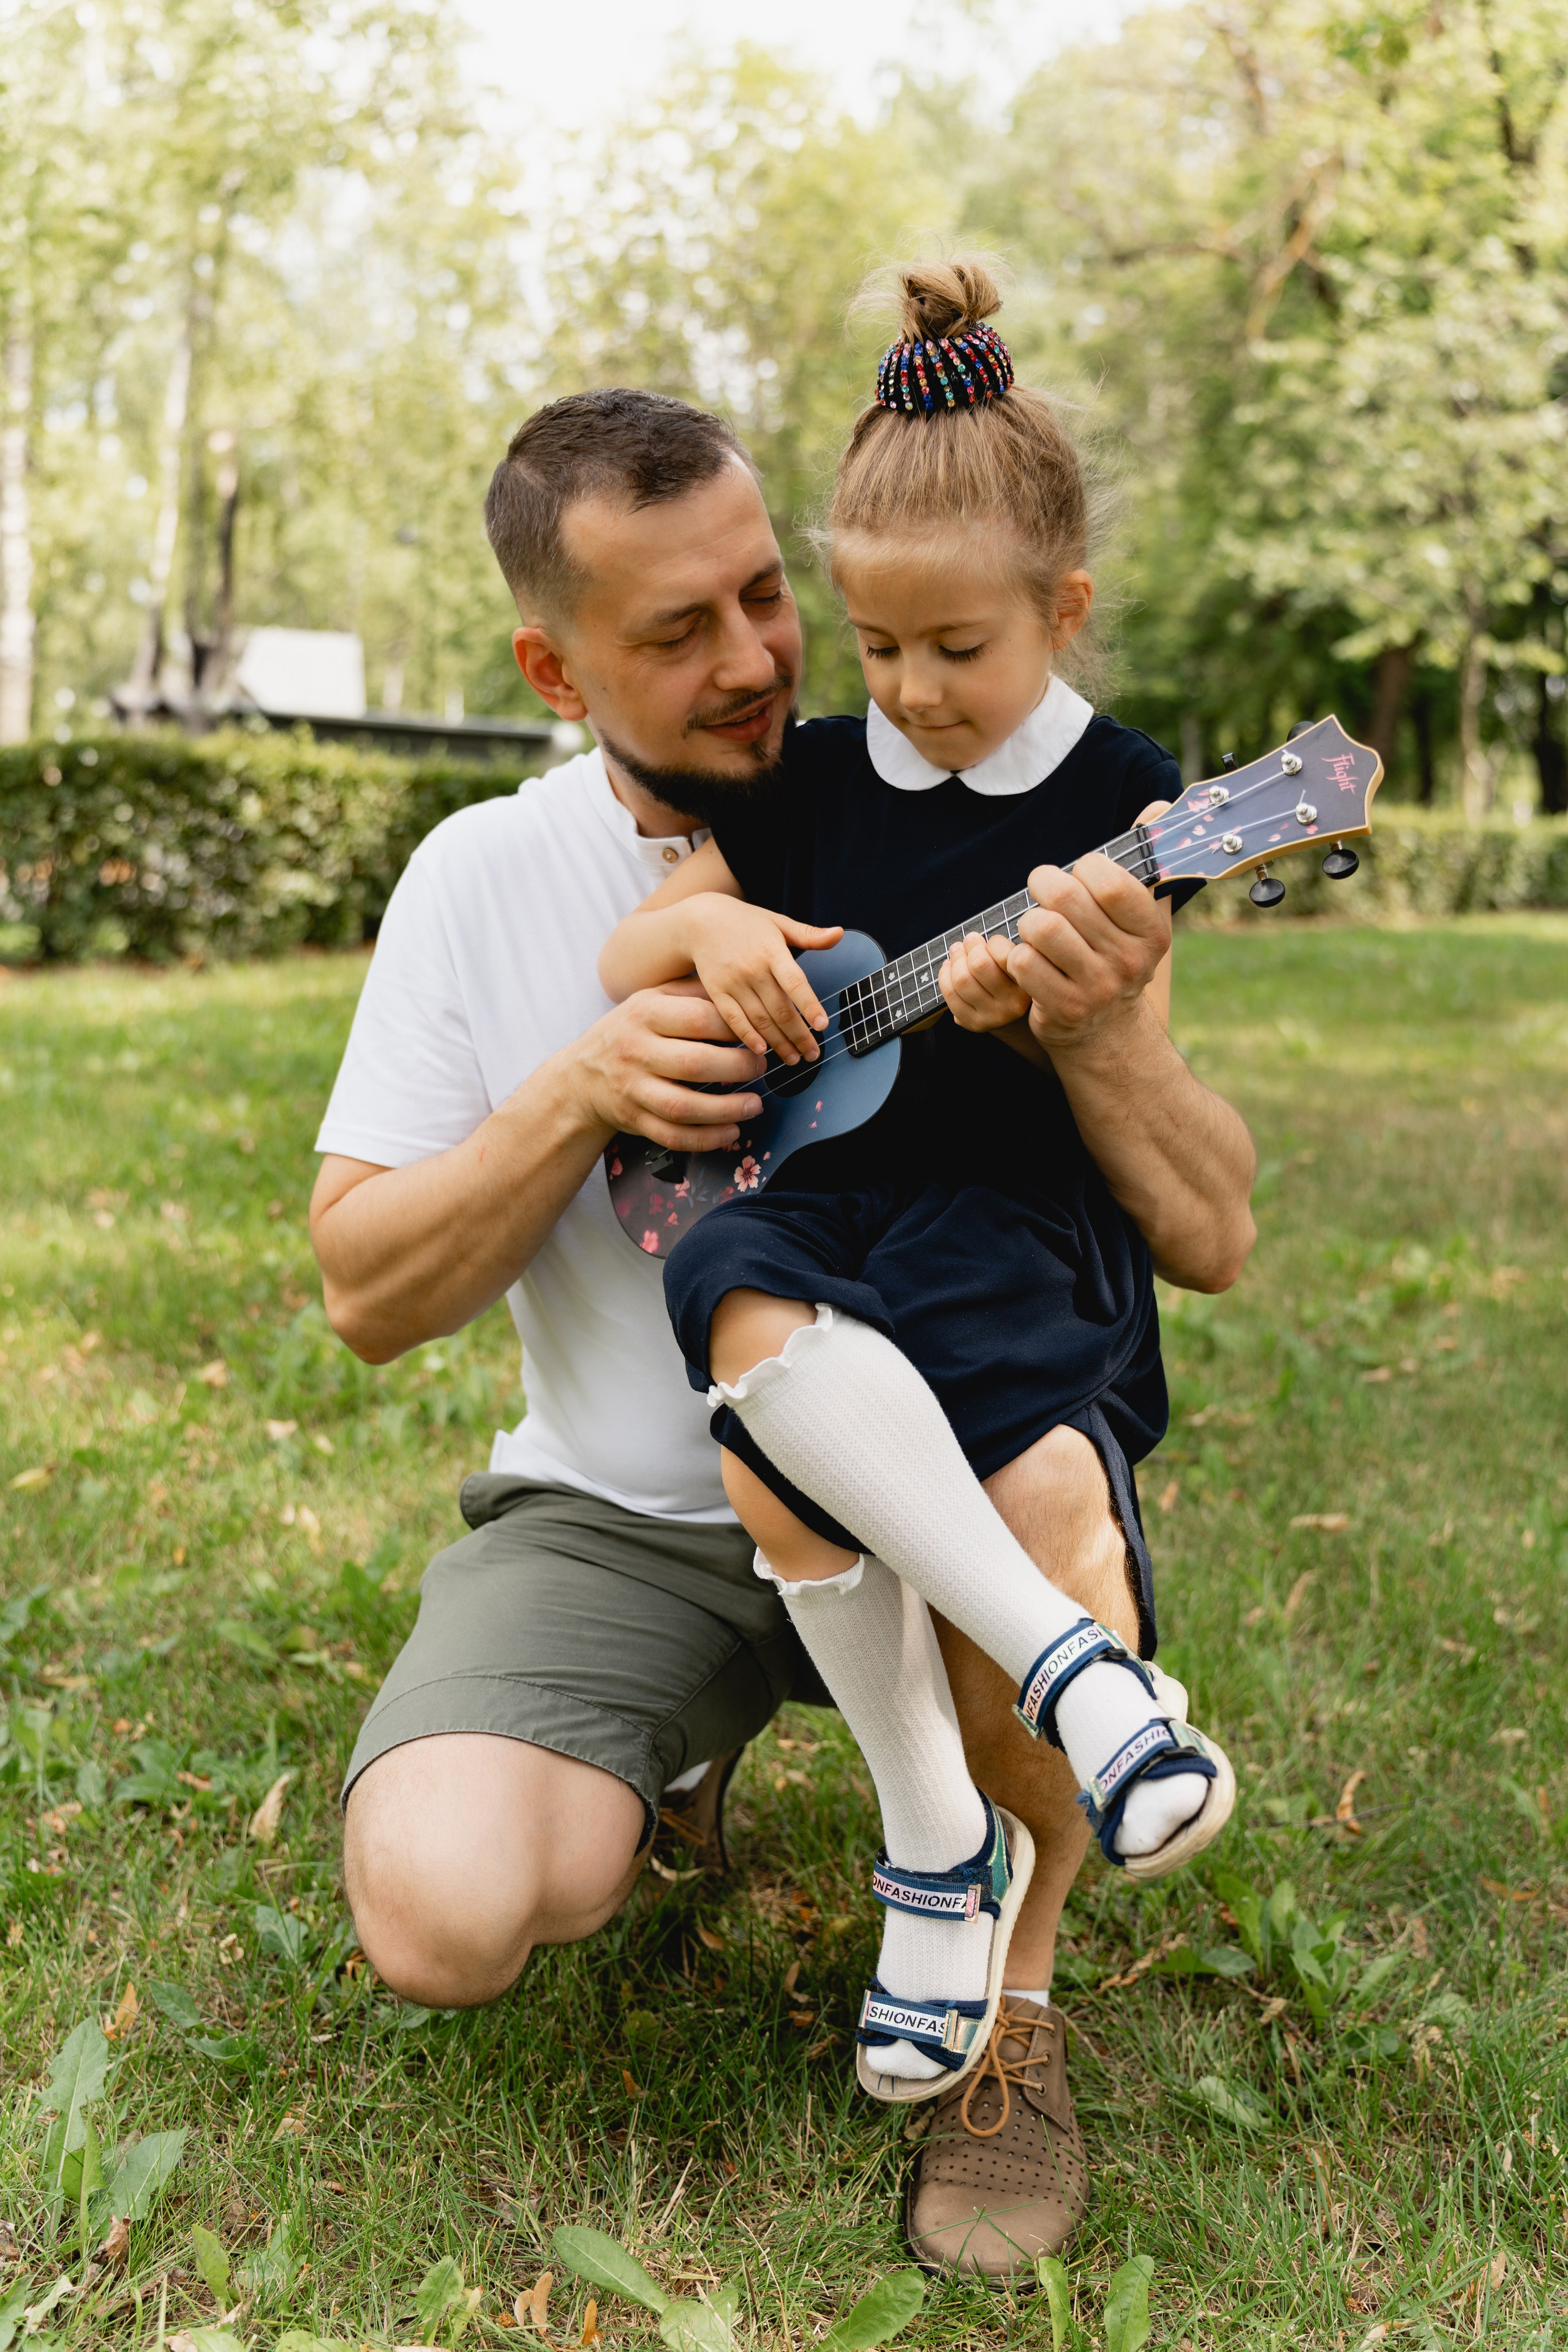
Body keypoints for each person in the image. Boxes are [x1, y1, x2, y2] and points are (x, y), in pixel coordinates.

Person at [309, 377, 1257, 2285]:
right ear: (553, 667)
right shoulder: (483, 884)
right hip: (635, 1513)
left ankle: (1010, 2007)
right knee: (447, 1908)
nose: (762, 663)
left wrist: (1098, 1032)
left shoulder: (911, 789)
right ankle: (673, 1763)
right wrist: (580, 1092)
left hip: (942, 1463)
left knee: (1052, 1487)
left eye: (768, 596)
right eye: (678, 631)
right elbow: (364, 1290)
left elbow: (1215, 1231)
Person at [597, 258, 1237, 2116]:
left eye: (959, 651)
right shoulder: (801, 779)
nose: (912, 691)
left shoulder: (1128, 801)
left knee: (816, 1429)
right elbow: (643, 955)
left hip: (1009, 1216)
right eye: (878, 650)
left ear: (1066, 609)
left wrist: (1062, 1007)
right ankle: (1035, 1731)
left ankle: (962, 1867)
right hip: (829, 1204)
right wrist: (713, 935)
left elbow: (1144, 1089)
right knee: (717, 1268)